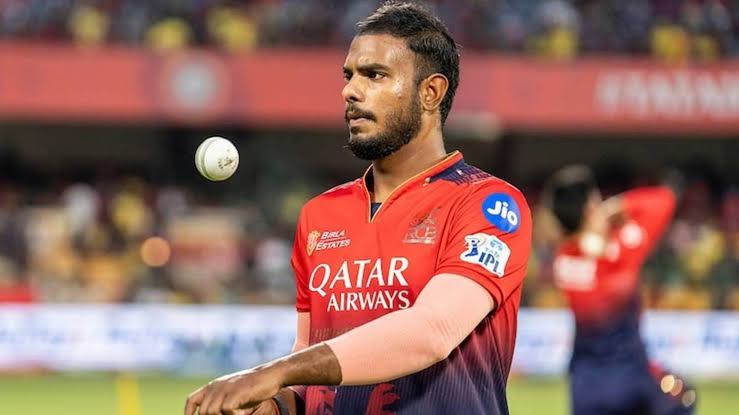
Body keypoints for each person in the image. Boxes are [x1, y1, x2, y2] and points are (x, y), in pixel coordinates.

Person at [185, 2, 532, 414]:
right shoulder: (319, 215)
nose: (350, 91)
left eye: (375, 75)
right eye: (349, 75)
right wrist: (272, 407)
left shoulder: (488, 203)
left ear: (431, 92)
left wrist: (273, 372)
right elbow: (309, 378)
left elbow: (432, 331)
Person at [544, 165, 696, 415]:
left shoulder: (563, 259)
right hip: (631, 381)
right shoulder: (620, 254)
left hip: (583, 386)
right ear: (590, 208)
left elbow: (576, 246)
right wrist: (616, 206)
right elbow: (664, 200)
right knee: (683, 396)